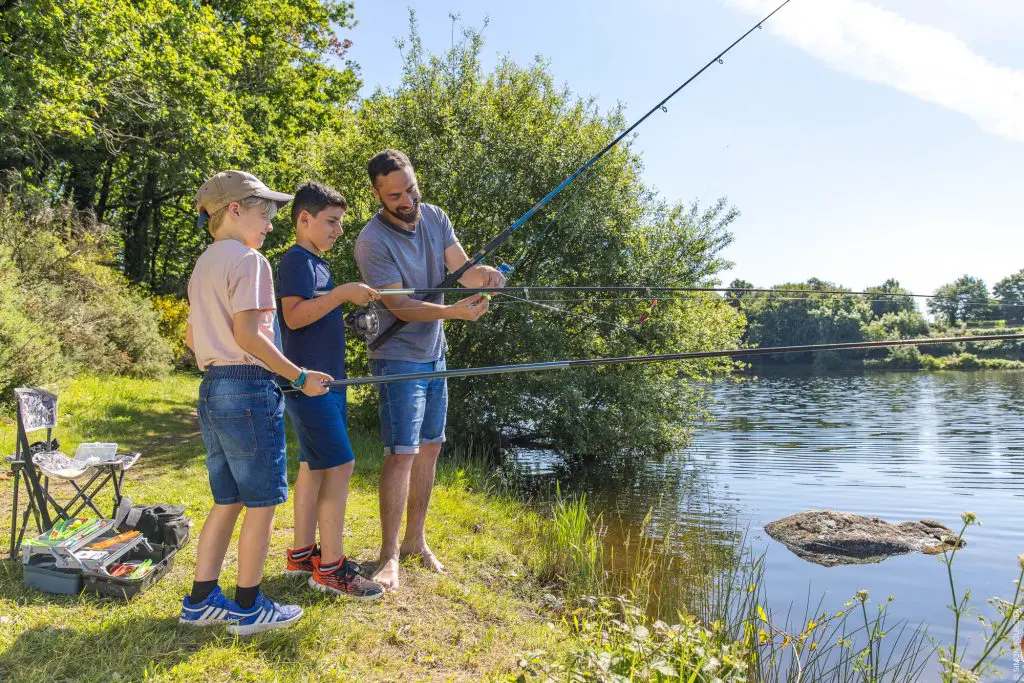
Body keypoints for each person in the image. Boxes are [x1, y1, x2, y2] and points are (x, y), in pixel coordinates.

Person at [180, 170, 331, 634]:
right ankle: (249, 607)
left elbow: (191, 337)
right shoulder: (250, 262)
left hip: (211, 387)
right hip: (247, 386)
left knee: (227, 500)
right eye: (265, 212)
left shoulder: (205, 263)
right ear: (235, 210)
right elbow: (248, 335)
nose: (270, 224)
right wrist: (299, 376)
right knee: (261, 502)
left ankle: (201, 600)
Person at [353, 150, 504, 590]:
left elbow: (463, 271)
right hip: (397, 356)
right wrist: (454, 313)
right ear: (377, 194)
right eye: (395, 194)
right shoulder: (372, 241)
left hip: (434, 354)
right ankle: (388, 555)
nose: (406, 200)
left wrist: (488, 278)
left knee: (431, 446)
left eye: (410, 189)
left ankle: (415, 541)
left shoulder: (435, 216)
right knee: (401, 452)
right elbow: (398, 305)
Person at [277, 181, 384, 599]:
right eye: (332, 222)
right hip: (310, 385)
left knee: (314, 467)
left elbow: (316, 316)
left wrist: (341, 309)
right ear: (304, 220)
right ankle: (331, 568)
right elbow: (295, 317)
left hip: (327, 382)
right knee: (341, 466)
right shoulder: (297, 261)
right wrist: (341, 295)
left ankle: (303, 554)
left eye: (341, 223)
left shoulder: (317, 263)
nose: (339, 230)